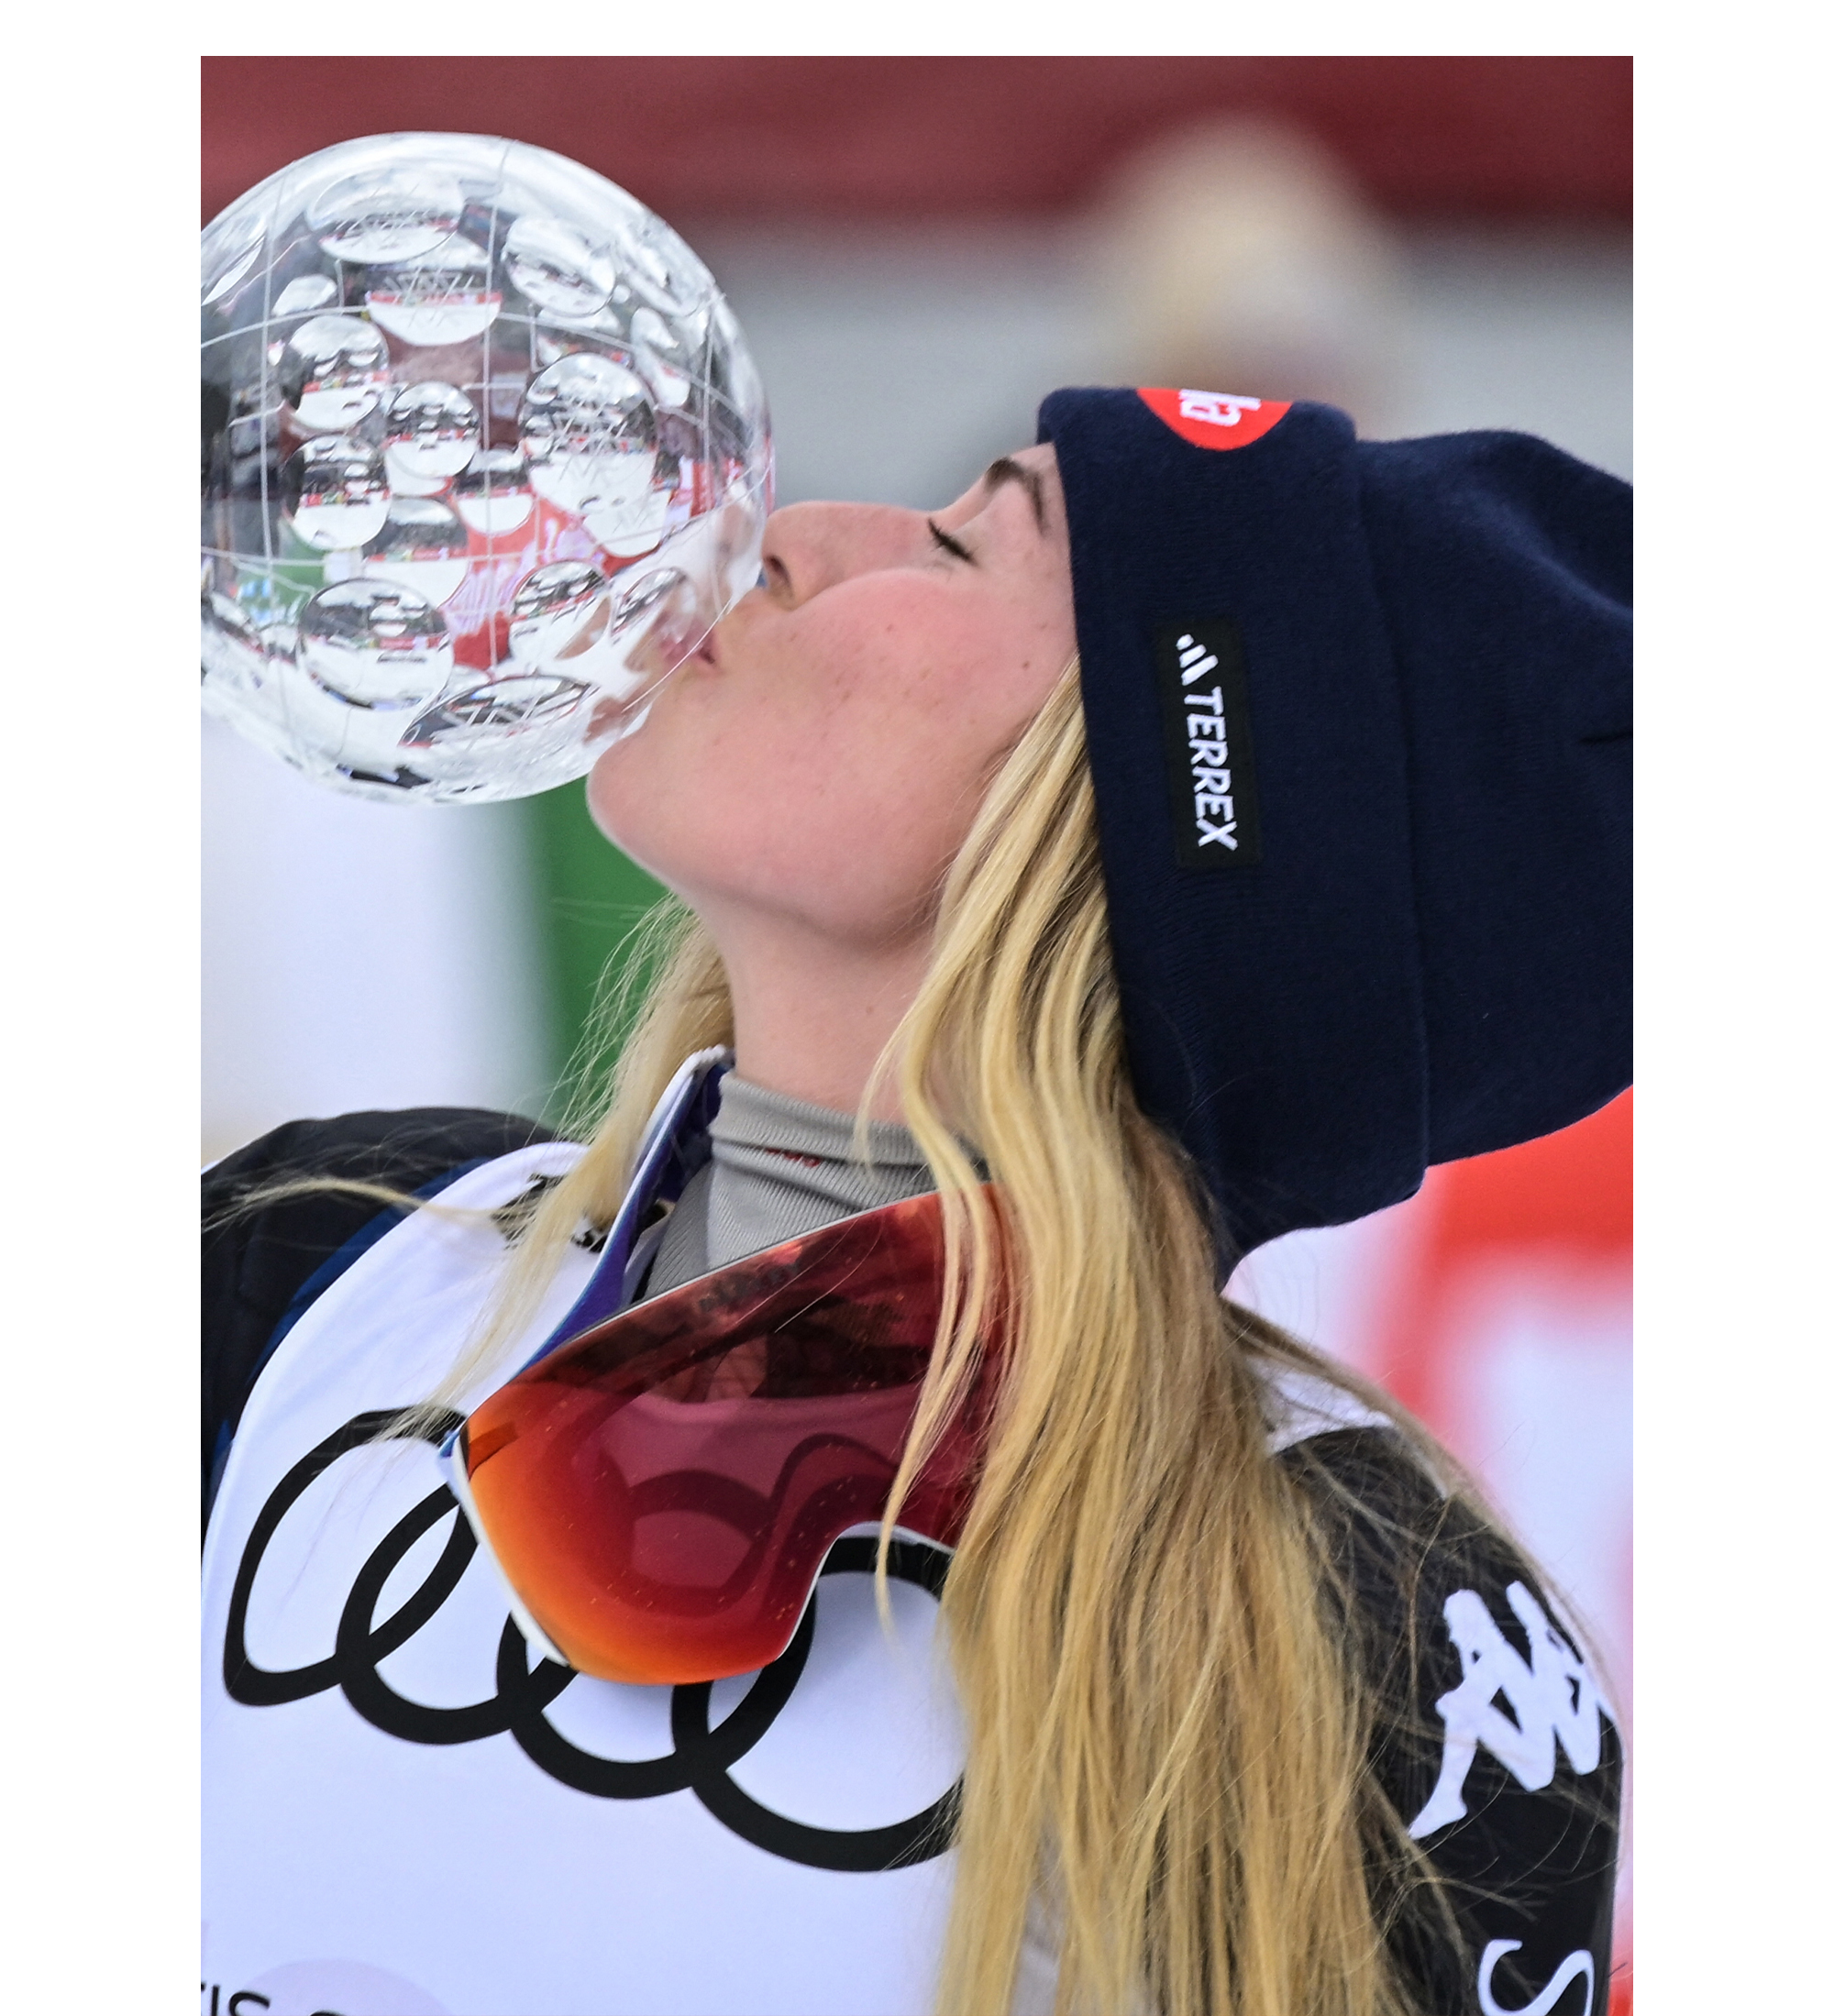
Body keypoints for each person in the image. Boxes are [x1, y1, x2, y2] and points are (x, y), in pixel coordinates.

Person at [203, 387, 1629, 2016]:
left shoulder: (1388, 1644)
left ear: (1125, 830)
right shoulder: (321, 1255)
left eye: (959, 540)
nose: (786, 542)